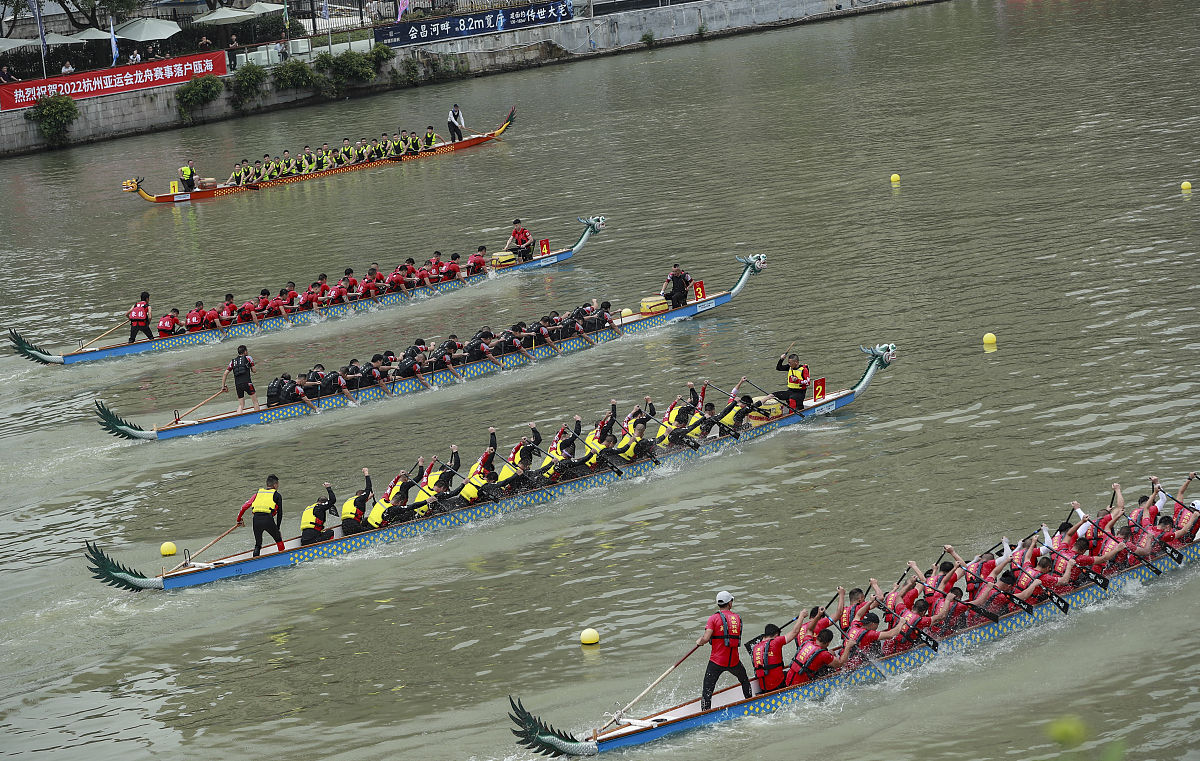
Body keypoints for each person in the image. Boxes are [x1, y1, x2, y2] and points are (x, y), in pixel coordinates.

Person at [696, 590, 752, 710]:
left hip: (716, 662)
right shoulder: (737, 618)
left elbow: (706, 638)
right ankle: (750, 701)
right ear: (729, 603)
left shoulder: (713, 618)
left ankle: (705, 713)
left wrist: (699, 642)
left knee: (707, 690)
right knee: (744, 680)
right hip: (734, 661)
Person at [235, 474, 285, 557]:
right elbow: (280, 514)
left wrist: (239, 519)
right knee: (278, 540)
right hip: (268, 520)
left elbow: (244, 507)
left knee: (258, 544)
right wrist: (278, 528)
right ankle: (284, 558)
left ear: (267, 484)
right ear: (275, 485)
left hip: (256, 520)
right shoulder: (277, 495)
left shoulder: (258, 494)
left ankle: (254, 561)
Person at [220, 344, 259, 413]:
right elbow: (254, 371)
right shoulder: (248, 358)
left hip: (238, 385)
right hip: (247, 383)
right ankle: (258, 416)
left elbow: (225, 373)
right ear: (245, 352)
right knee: (255, 402)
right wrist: (250, 366)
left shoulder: (233, 361)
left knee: (241, 404)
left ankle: (238, 417)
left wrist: (223, 386)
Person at [339, 468, 374, 536]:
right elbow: (368, 487)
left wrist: (368, 497)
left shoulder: (350, 500)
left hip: (345, 526)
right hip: (353, 526)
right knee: (371, 527)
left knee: (365, 520)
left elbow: (359, 504)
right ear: (362, 495)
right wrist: (366, 473)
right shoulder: (360, 499)